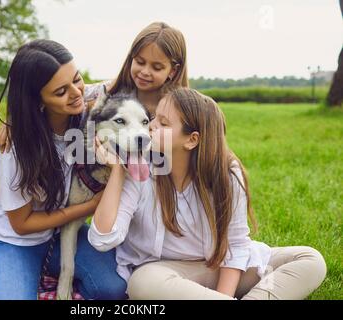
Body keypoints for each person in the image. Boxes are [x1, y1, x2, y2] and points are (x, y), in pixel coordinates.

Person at [88, 87, 327, 300]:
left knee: (311, 260)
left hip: (219, 269)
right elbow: (103, 239)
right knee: (143, 283)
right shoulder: (141, 168)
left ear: (191, 140)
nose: (150, 127)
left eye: (163, 123)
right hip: (165, 273)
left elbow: (235, 246)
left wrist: (222, 294)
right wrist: (118, 169)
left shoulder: (226, 173)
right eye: (153, 119)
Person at [0, 39, 127, 300]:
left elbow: (128, 76)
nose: (76, 93)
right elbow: (22, 225)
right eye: (60, 92)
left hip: (61, 235)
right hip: (15, 243)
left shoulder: (81, 108)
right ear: (37, 101)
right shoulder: (14, 149)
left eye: (77, 79)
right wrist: (91, 206)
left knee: (113, 288)